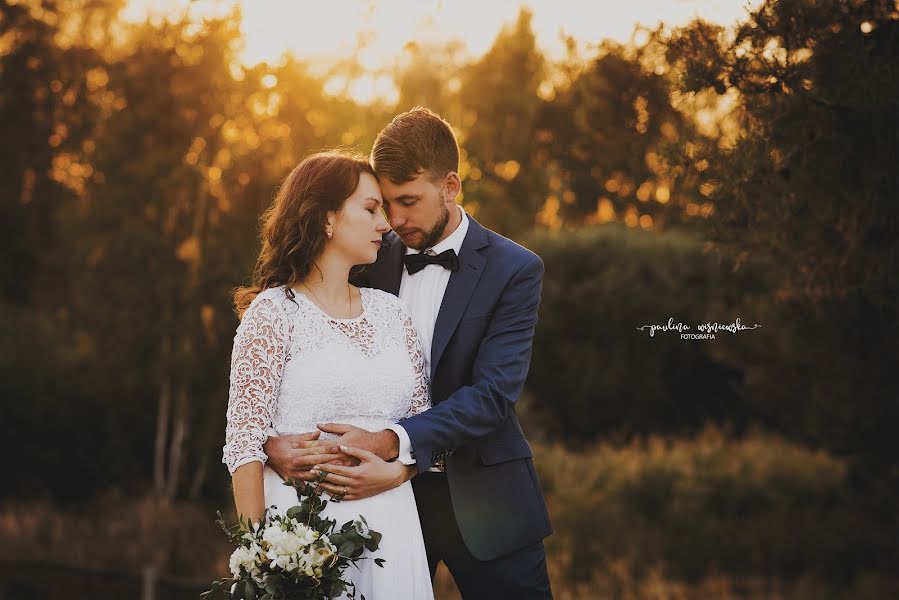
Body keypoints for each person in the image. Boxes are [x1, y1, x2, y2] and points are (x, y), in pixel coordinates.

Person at [265, 108, 554, 598]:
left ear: (451, 186)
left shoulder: (515, 269)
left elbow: (493, 395)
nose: (395, 220)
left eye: (408, 202)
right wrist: (275, 443)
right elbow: (299, 337)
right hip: (377, 507)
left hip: (488, 502)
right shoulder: (369, 254)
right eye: (385, 204)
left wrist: (392, 442)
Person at [222, 150, 434, 599]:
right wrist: (261, 562)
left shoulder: (393, 314)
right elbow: (244, 445)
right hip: (302, 539)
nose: (386, 224)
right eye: (371, 208)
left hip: (394, 534)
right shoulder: (274, 314)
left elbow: (425, 426)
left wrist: (398, 474)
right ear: (326, 219)